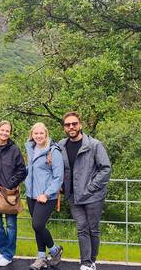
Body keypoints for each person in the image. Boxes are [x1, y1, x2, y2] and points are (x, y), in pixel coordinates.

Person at [59, 112, 111, 270]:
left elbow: (106, 169)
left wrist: (91, 187)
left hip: (93, 196)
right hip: (74, 196)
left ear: (80, 125)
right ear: (64, 128)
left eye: (74, 123)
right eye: (68, 125)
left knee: (93, 229)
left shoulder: (94, 145)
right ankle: (85, 262)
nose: (71, 127)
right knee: (82, 228)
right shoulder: (61, 145)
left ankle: (92, 260)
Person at [0, 120, 27, 266]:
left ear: (10, 133)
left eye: (7, 131)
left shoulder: (14, 149)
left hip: (9, 193)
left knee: (10, 225)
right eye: (2, 130)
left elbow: (22, 170)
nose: (4, 133)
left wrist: (9, 184)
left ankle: (8, 255)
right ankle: (3, 251)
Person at [25, 122, 64, 270]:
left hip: (46, 196)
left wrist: (47, 194)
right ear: (32, 135)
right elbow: (31, 169)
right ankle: (41, 257)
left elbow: (58, 177)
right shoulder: (31, 148)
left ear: (46, 134)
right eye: (36, 133)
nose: (38, 136)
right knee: (37, 228)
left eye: (41, 133)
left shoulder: (53, 151)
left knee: (38, 224)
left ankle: (54, 250)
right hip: (31, 194)